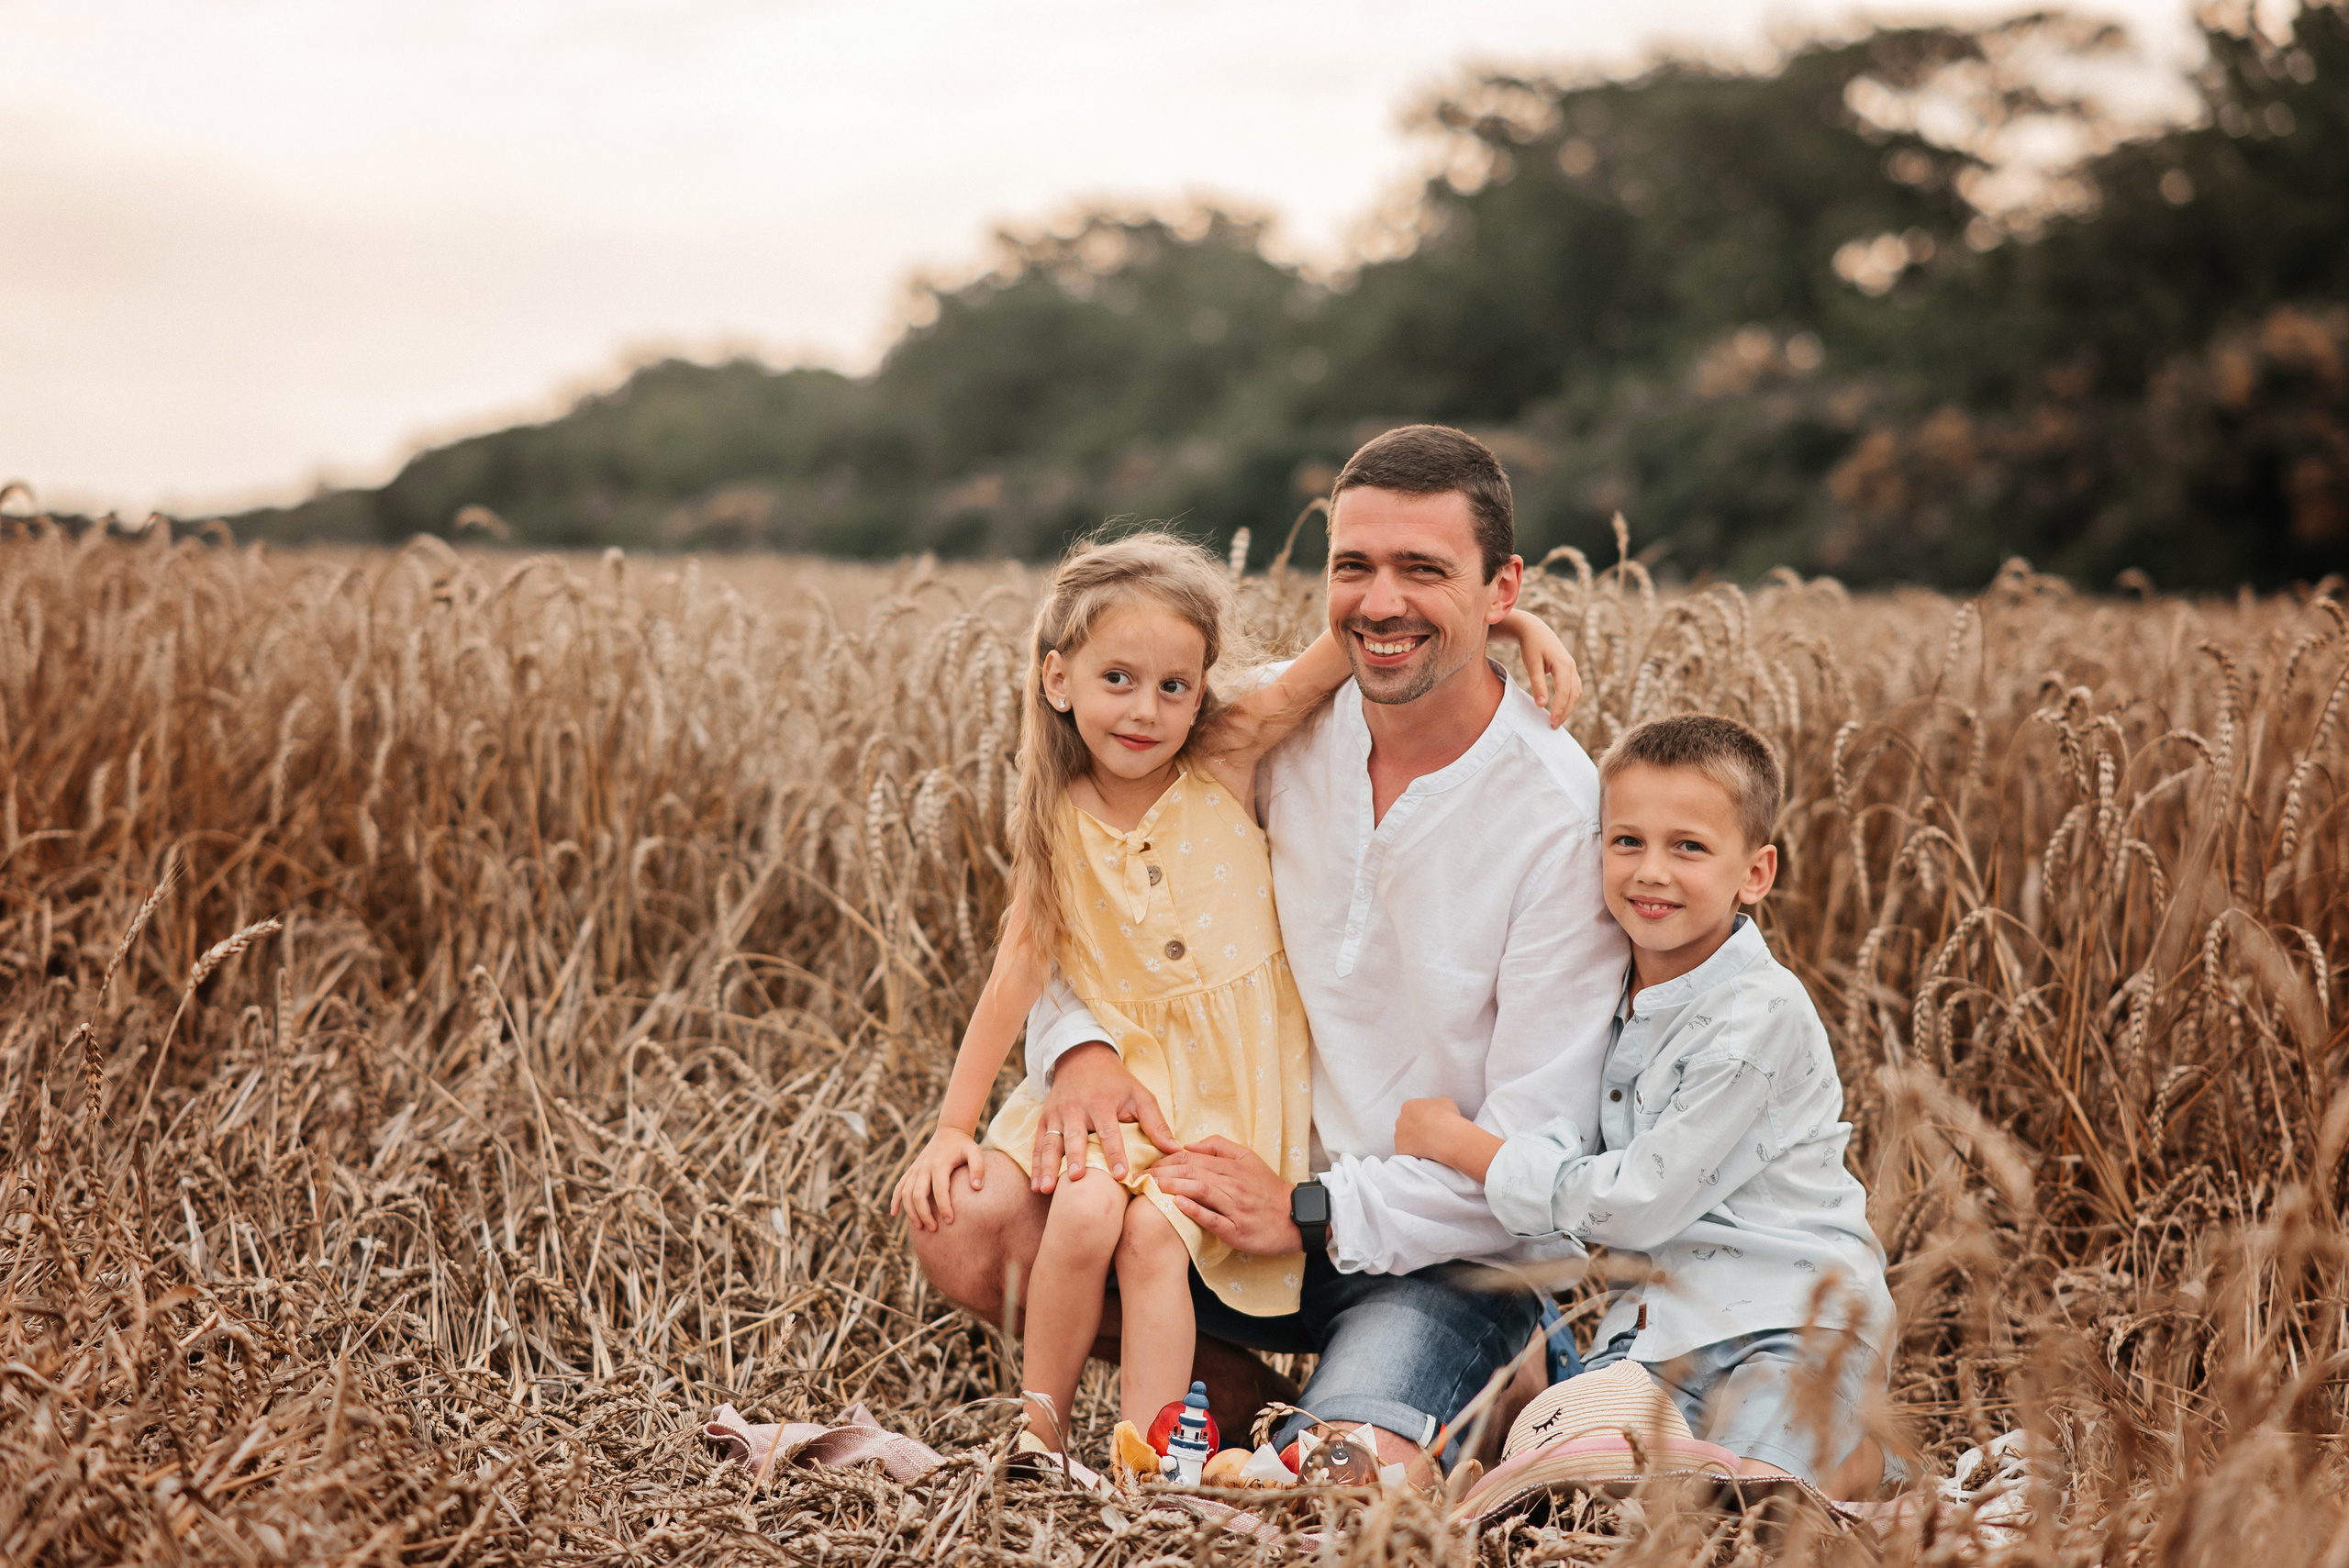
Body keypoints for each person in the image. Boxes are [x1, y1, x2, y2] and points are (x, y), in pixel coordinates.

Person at [908, 426, 1631, 1475]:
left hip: (1433, 1251)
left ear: (1499, 583)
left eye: (1425, 569)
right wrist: (1083, 1050)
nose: (1381, 600)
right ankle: (1224, 1391)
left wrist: (1310, 1208)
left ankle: (1468, 1379)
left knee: (1331, 1484)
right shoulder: (1248, 730)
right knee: (966, 1215)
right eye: (1355, 567)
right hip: (1222, 1195)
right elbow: (1104, 899)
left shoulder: (1562, 822)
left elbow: (1536, 1151)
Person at [1396, 714, 1898, 1496]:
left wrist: (1467, 1146)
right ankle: (1565, 1389)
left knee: (1758, 1496)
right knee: (1572, 1487)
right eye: (1626, 841)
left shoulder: (1753, 1017)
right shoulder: (1602, 989)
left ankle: (1856, 1455)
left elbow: (1638, 1203)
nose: (1650, 871)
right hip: (1655, 1336)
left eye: (1688, 846)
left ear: (1755, 873)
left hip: (1789, 1325)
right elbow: (1556, 1123)